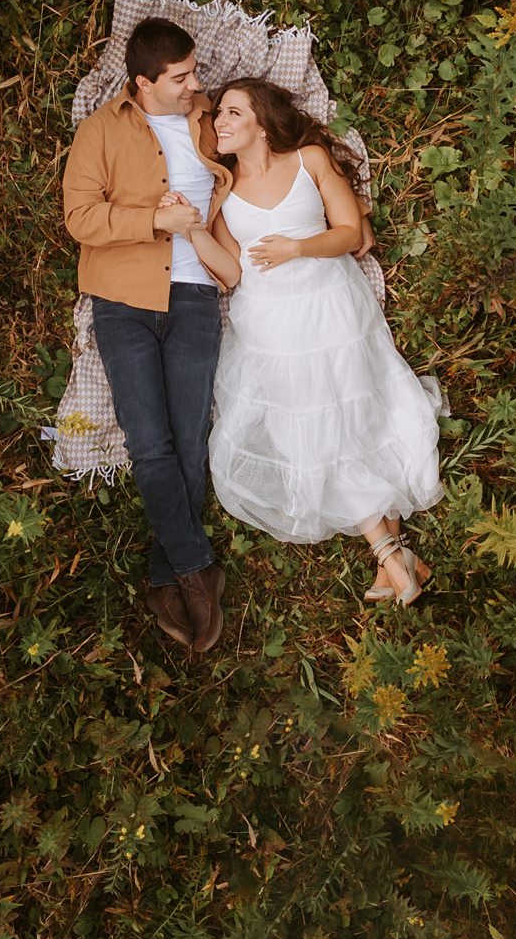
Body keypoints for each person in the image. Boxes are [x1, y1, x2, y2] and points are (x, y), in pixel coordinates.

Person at [174, 76, 441, 605]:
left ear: (262, 123)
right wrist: (192, 230)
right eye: (218, 114)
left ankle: (394, 559)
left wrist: (297, 248)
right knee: (318, 433)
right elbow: (231, 274)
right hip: (271, 325)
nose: (218, 123)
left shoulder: (310, 160)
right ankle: (394, 556)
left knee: (354, 425)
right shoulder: (222, 192)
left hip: (330, 306)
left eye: (231, 113)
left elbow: (348, 233)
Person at [60, 18, 237, 653]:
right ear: (144, 82)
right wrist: (153, 220)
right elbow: (79, 217)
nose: (197, 83)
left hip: (194, 297)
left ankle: (167, 572)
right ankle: (195, 572)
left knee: (189, 442)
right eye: (183, 77)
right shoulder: (101, 131)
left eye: (196, 73)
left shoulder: (212, 117)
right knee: (150, 442)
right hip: (122, 300)